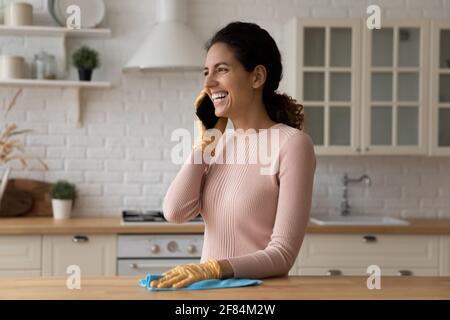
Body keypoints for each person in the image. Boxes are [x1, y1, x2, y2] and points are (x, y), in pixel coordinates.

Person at [150, 21, 316, 289]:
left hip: (259, 297)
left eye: (221, 70)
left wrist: (215, 267)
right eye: (206, 72)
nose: (208, 83)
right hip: (210, 295)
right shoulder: (218, 145)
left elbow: (282, 255)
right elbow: (175, 211)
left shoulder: (293, 145)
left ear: (257, 77)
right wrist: (204, 142)